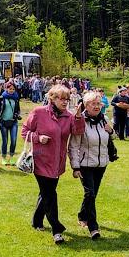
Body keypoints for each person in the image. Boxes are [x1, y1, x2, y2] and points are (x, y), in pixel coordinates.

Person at [22, 84, 86, 244]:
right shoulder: (39, 112)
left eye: (67, 99)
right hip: (41, 160)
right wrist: (38, 138)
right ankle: (57, 229)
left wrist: (78, 116)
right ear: (52, 98)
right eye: (61, 98)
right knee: (50, 194)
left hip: (57, 162)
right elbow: (25, 131)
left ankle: (37, 221)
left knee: (46, 193)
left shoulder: (69, 116)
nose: (65, 102)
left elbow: (78, 131)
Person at [68, 91, 114, 240]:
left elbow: (112, 137)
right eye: (93, 104)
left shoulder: (104, 119)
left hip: (101, 163)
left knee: (92, 194)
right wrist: (75, 167)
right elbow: (73, 146)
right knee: (90, 193)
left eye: (98, 103)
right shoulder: (80, 121)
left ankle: (82, 215)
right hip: (85, 164)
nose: (96, 106)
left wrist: (111, 131)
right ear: (85, 105)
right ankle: (93, 227)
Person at [0, 82, 21, 166]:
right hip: (3, 122)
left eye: (13, 89)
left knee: (13, 141)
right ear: (6, 88)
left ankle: (11, 158)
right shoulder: (2, 98)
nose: (12, 91)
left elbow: (18, 109)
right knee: (5, 141)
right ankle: (3, 158)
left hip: (13, 122)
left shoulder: (16, 98)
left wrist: (17, 114)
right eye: (10, 89)